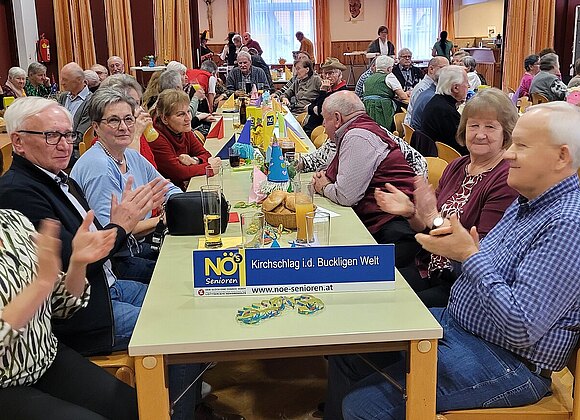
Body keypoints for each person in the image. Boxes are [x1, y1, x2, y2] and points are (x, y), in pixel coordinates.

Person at [326, 101, 580, 420]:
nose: (510, 154)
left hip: (508, 362)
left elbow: (521, 328)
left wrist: (468, 255)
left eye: (522, 146)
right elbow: (480, 268)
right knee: (348, 345)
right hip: (460, 326)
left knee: (362, 407)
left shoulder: (567, 223)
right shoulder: (528, 201)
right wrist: (451, 242)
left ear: (561, 157)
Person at [0, 97, 210, 420]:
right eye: (52, 136)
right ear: (18, 142)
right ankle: (180, 408)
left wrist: (79, 262)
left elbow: (68, 284)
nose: (65, 144)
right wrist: (120, 228)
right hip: (85, 320)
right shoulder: (17, 193)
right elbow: (82, 263)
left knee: (190, 304)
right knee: (180, 327)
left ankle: (181, 403)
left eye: (68, 135)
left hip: (67, 326)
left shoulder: (56, 182)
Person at [375, 88, 519, 304]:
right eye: (473, 125)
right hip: (428, 266)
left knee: (394, 306)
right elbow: (426, 228)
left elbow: (479, 250)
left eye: (490, 127)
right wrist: (411, 212)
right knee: (372, 288)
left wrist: (432, 217)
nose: (480, 134)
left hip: (461, 285)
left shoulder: (505, 178)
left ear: (506, 133)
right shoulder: (457, 166)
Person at [0, 209, 139, 420]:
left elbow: (61, 304)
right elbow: (43, 283)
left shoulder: (13, 220)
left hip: (45, 358)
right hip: (5, 383)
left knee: (137, 408)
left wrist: (78, 263)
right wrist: (40, 284)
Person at [311, 91, 421, 286]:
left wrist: (324, 186)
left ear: (337, 118)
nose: (323, 126)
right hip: (387, 222)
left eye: (324, 119)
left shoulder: (357, 136)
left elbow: (345, 196)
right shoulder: (360, 129)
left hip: (394, 231)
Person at [71, 88, 180, 282]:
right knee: (175, 277)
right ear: (96, 127)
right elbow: (111, 234)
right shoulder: (100, 168)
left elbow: (168, 189)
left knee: (183, 260)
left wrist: (177, 207)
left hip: (135, 246)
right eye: (113, 120)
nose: (124, 127)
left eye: (128, 119)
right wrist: (163, 220)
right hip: (112, 265)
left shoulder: (129, 155)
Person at [151, 89, 221, 190]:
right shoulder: (156, 138)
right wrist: (209, 168)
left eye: (188, 111)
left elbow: (205, 154)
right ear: (164, 119)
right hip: (168, 193)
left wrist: (194, 161)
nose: (188, 118)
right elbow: (179, 172)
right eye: (180, 114)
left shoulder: (183, 129)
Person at [421, 65, 469, 155]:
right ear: (455, 88)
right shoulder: (445, 111)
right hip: (443, 158)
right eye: (466, 83)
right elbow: (462, 145)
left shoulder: (437, 101)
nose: (469, 86)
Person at [303, 57, 348, 137]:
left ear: (340, 74)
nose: (327, 76)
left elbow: (321, 112)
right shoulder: (329, 89)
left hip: (322, 132)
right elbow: (309, 107)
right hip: (310, 129)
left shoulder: (342, 92)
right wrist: (314, 108)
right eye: (325, 73)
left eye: (330, 73)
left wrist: (323, 91)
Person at [57, 62, 93, 154]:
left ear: (79, 80)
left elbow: (80, 137)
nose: (62, 83)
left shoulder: (91, 102)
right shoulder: (63, 97)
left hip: (76, 151)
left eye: (65, 80)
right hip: (59, 145)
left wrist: (58, 141)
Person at [404, 56, 449, 126]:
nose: (447, 73)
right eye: (444, 69)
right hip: (415, 128)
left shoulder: (436, 86)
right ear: (431, 69)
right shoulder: (423, 89)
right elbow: (419, 117)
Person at [362, 55, 399, 129]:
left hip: (367, 108)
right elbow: (402, 96)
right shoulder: (389, 77)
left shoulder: (368, 79)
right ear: (389, 69)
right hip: (382, 108)